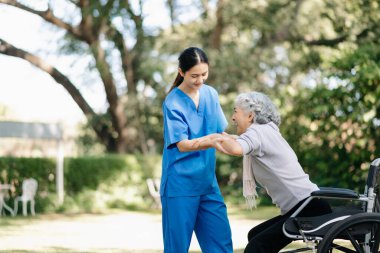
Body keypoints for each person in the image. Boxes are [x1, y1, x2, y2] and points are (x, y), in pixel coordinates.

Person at [204, 91, 332, 253]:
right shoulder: (266, 131)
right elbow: (238, 141)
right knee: (255, 235)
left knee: (257, 248)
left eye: (235, 111)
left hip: (308, 207)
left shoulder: (258, 132)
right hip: (305, 205)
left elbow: (237, 148)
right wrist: (223, 137)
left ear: (250, 116)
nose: (233, 118)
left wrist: (211, 140)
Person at [160, 47, 233, 253]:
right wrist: (210, 140)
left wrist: (245, 141)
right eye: (194, 76)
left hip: (208, 184)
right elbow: (182, 145)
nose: (200, 80)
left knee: (221, 245)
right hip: (179, 186)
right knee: (177, 248)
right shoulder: (173, 101)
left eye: (204, 74)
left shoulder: (211, 94)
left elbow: (221, 133)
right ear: (181, 72)